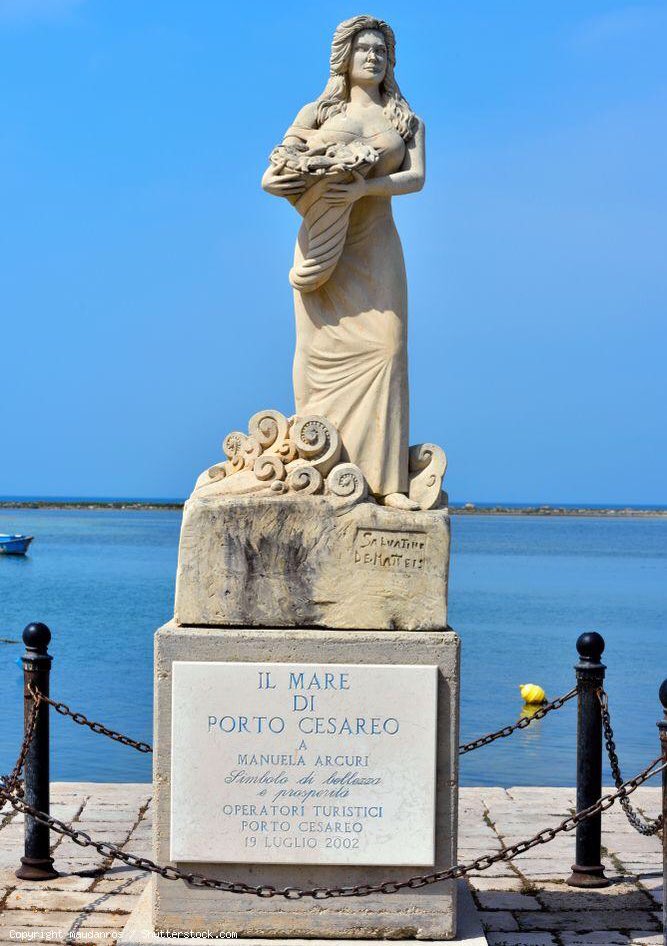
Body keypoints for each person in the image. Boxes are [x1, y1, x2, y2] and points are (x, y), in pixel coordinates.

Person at [262, 15, 425, 510]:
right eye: (364, 50)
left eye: (380, 50)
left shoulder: (406, 120)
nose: (373, 57)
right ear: (345, 59)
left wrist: (366, 187)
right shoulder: (316, 112)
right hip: (325, 245)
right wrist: (318, 174)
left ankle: (388, 483)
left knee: (388, 349)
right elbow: (273, 175)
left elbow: (416, 177)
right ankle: (314, 454)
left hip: (377, 245)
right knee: (316, 354)